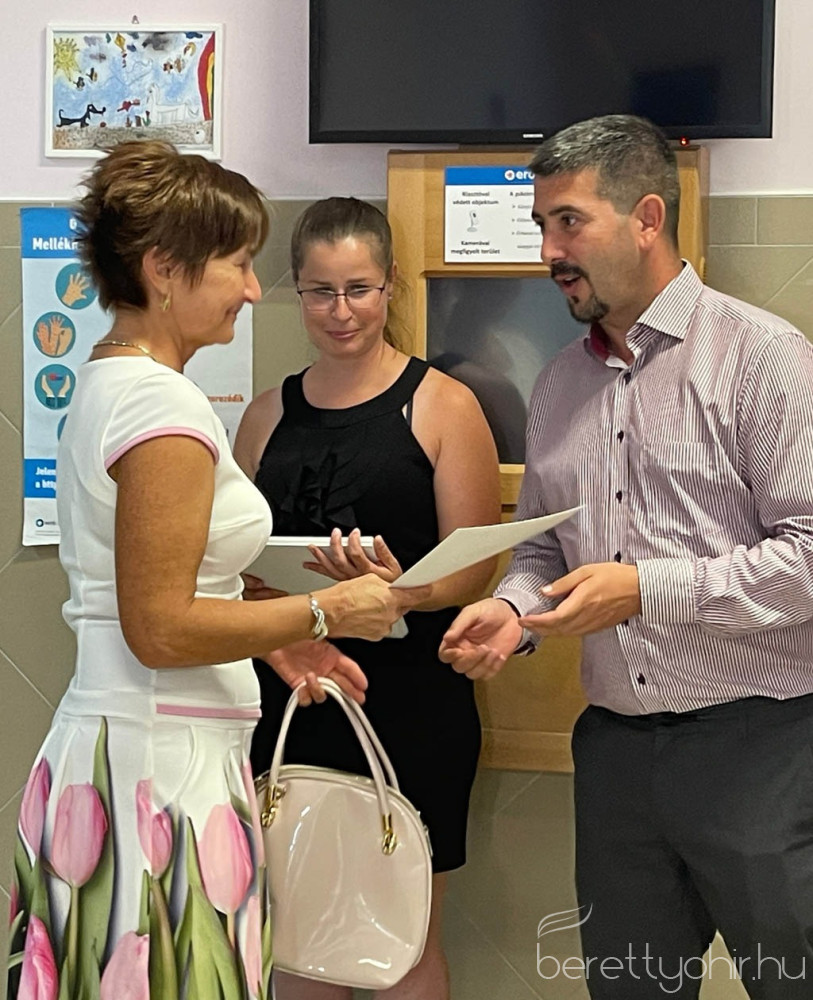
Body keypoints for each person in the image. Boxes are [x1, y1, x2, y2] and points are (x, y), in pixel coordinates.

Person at [6, 143, 424, 1000]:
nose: (251, 289)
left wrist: (274, 644)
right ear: (164, 269)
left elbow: (160, 595)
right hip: (159, 771)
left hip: (131, 749)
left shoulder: (111, 382)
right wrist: (326, 612)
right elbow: (159, 628)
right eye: (235, 263)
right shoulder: (159, 402)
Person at [438, 114, 813, 1000]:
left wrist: (647, 589)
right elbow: (542, 542)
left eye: (569, 222)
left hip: (762, 749)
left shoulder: (763, 359)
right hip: (613, 758)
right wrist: (515, 612)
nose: (549, 251)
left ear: (647, 217)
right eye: (542, 225)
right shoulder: (558, 382)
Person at [233, 196, 501, 1000]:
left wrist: (403, 592)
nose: (341, 310)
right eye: (321, 291)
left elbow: (474, 568)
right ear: (296, 290)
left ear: (389, 287)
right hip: (291, 694)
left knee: (403, 940)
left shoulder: (443, 404)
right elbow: (229, 564)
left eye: (358, 289)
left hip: (412, 699)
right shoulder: (265, 415)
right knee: (295, 939)